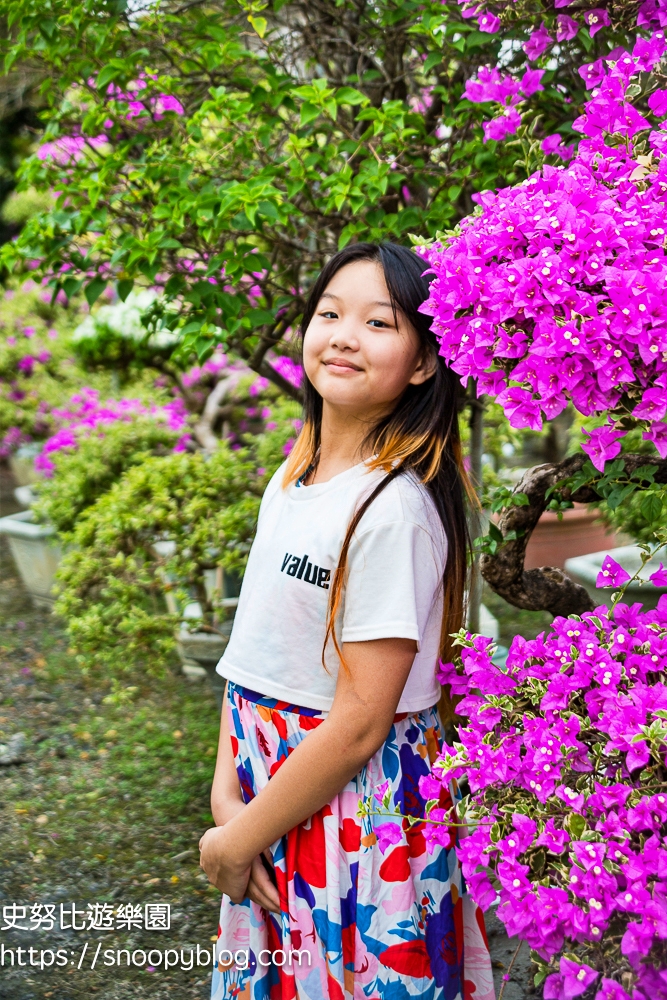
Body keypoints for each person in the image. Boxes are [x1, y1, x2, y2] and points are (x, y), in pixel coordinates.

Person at [199, 242, 495, 1000]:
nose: (341, 335)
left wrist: (239, 833)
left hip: (351, 811)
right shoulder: (295, 474)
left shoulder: (391, 508)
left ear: (424, 363)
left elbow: (364, 720)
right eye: (329, 313)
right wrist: (228, 801)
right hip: (274, 792)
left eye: (377, 322)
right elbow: (255, 655)